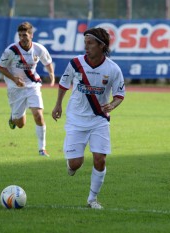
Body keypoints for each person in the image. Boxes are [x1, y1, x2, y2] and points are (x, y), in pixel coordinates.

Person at [52, 27, 125, 209]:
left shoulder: (113, 69)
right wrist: (58, 104)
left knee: (100, 158)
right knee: (76, 164)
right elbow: (63, 84)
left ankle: (92, 199)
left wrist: (113, 105)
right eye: (85, 43)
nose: (86, 47)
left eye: (90, 43)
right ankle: (71, 164)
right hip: (76, 119)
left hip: (99, 119)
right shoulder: (76, 63)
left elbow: (119, 94)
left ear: (102, 45)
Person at [0, 22, 55, 157]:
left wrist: (52, 75)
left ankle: (42, 149)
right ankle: (13, 118)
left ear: (31, 35)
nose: (22, 38)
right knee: (20, 124)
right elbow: (1, 67)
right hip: (15, 88)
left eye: (25, 35)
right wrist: (14, 79)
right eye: (20, 35)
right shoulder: (11, 50)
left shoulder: (38, 49)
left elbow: (47, 62)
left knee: (38, 115)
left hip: (33, 85)